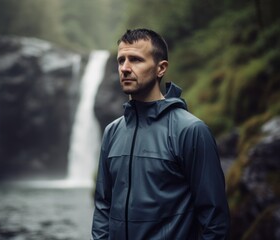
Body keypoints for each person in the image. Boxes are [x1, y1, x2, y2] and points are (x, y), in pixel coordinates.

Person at [91, 28, 230, 239]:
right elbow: (103, 205)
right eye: (121, 61)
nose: (125, 69)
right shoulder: (112, 132)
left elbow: (215, 219)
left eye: (136, 60)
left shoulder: (191, 131)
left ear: (161, 68)